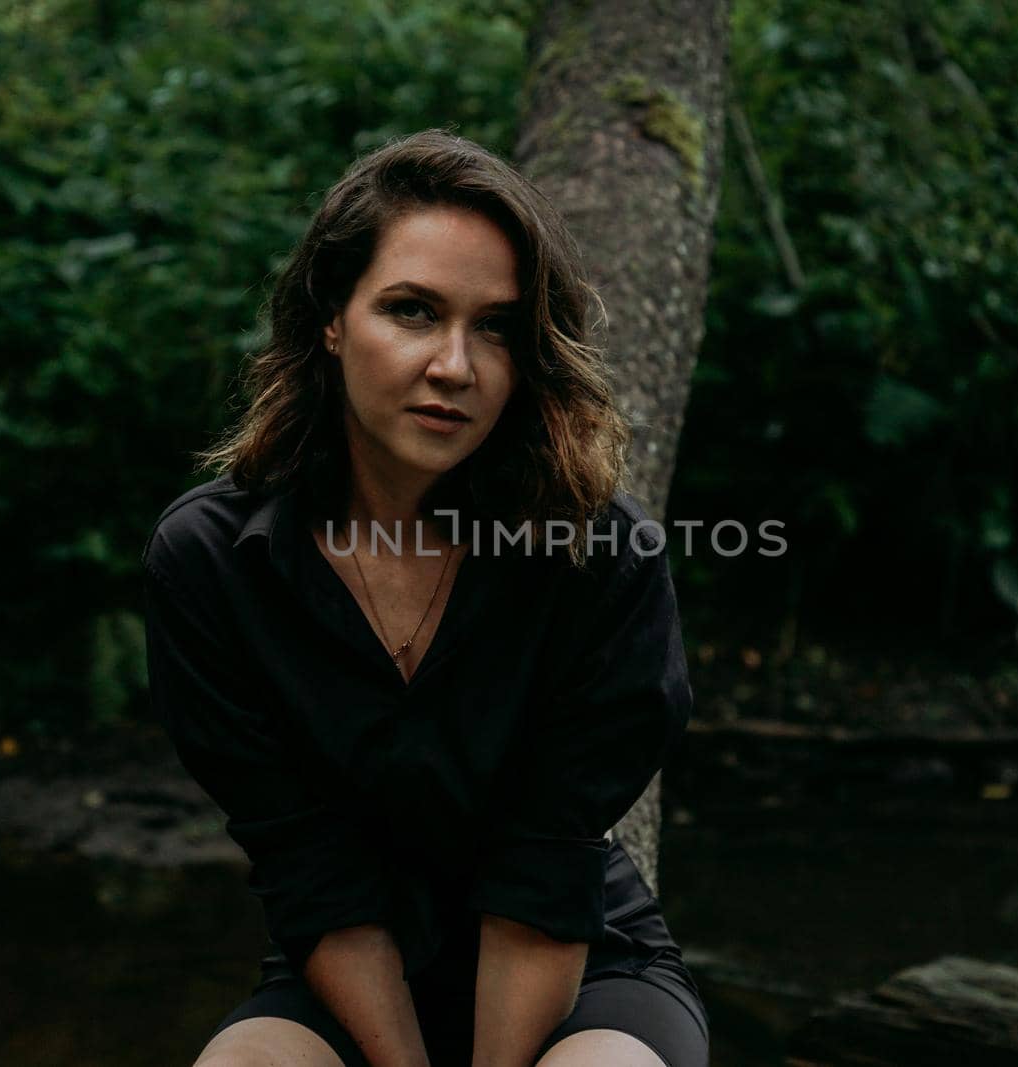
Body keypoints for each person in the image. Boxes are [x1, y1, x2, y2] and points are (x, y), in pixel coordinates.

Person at [141, 128, 709, 1067]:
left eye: (495, 327)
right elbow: (308, 865)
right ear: (332, 316)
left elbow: (544, 871)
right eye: (412, 310)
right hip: (349, 974)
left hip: (582, 976)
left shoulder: (601, 558)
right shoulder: (210, 562)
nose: (456, 365)